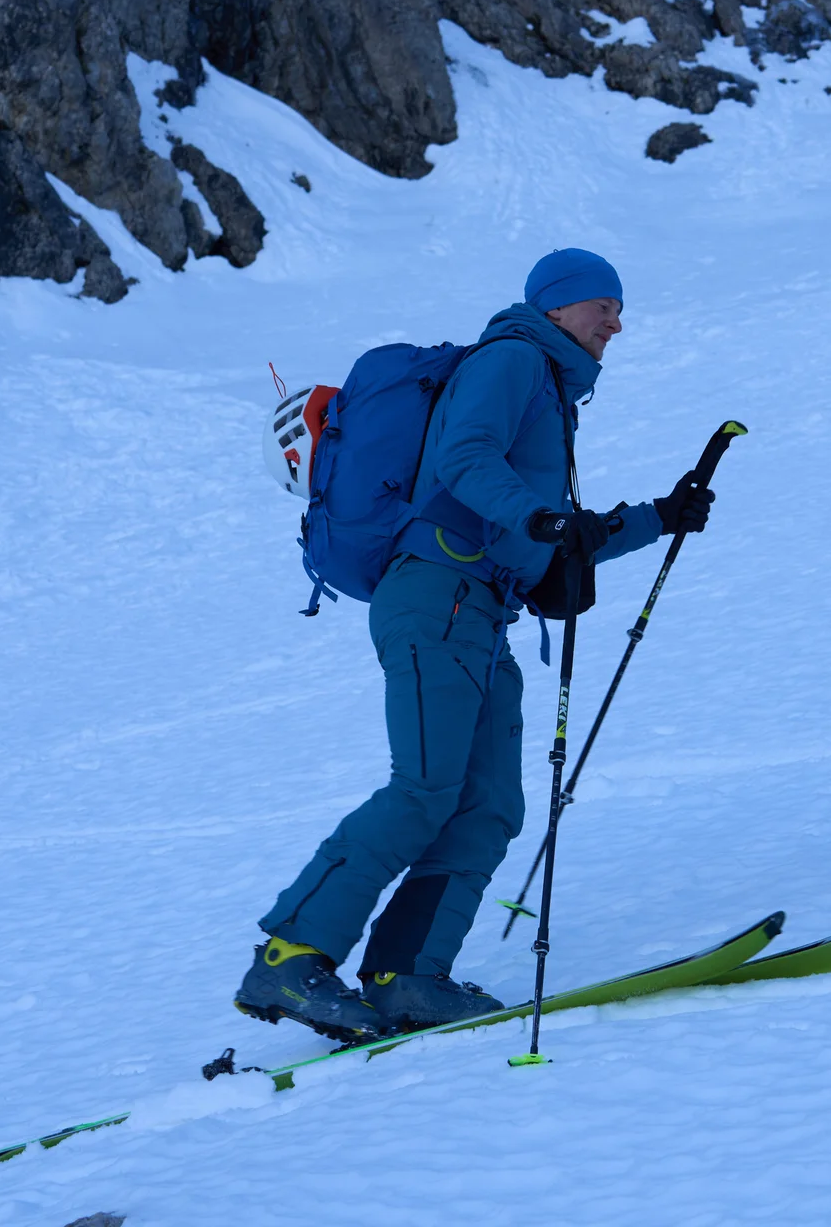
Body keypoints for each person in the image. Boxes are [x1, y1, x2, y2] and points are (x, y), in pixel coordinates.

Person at [235, 249, 717, 1041]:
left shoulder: (551, 392)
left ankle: (406, 977)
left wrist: (660, 516)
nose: (616, 324)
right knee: (424, 787)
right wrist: (543, 519)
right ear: (559, 305)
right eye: (606, 305)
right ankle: (289, 957)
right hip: (435, 595)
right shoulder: (514, 358)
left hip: (483, 611)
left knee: (490, 802)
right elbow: (466, 465)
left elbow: (549, 536)